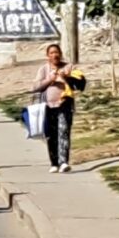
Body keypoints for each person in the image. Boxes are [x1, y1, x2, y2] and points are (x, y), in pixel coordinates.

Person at [33, 43, 78, 173]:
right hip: (48, 106)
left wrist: (67, 77)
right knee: (51, 135)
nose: (55, 55)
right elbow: (35, 87)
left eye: (56, 52)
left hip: (64, 104)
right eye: (51, 53)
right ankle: (54, 163)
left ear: (60, 54)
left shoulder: (69, 67)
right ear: (47, 56)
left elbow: (79, 84)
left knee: (63, 132)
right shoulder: (43, 69)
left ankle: (63, 162)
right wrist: (49, 80)